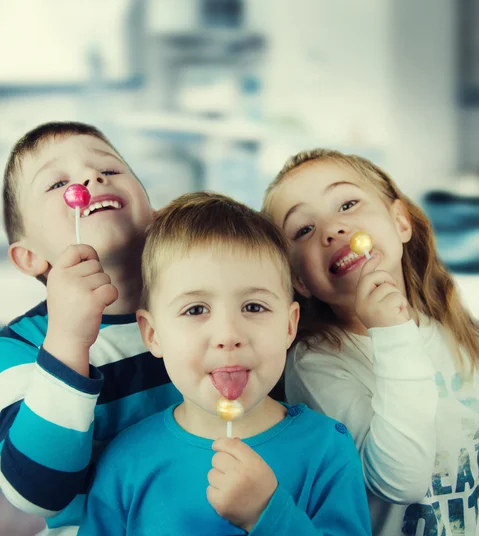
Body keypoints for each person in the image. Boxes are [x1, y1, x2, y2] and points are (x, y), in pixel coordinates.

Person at [78, 192, 371, 536]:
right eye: (196, 310)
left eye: (254, 307)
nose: (228, 335)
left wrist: (268, 513)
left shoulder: (326, 448)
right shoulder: (125, 461)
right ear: (153, 334)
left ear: (290, 325)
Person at [262, 147, 479, 536]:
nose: (332, 230)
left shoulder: (456, 331)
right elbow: (400, 482)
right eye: (304, 230)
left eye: (347, 203)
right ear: (300, 282)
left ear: (400, 223)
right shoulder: (317, 363)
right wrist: (393, 334)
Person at [0, 121, 181, 535]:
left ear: (153, 214)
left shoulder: (205, 311)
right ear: (29, 257)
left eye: (111, 170)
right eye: (56, 182)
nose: (91, 178)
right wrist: (66, 341)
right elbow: (36, 490)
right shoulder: (15, 350)